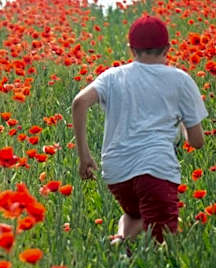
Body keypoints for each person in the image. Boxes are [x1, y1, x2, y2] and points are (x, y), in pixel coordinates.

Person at [72, 14, 207, 243]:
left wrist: (84, 156)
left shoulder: (113, 76)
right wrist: (183, 123)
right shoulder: (180, 80)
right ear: (167, 48)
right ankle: (124, 251)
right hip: (156, 169)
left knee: (135, 215)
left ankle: (120, 243)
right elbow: (196, 141)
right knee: (163, 243)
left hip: (117, 172)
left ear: (131, 49)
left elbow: (79, 102)